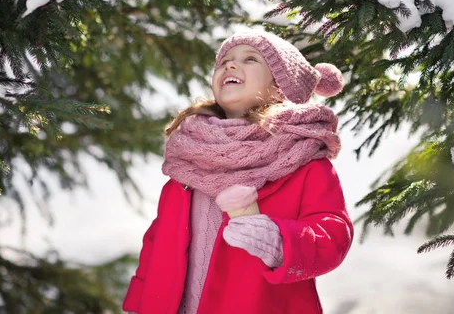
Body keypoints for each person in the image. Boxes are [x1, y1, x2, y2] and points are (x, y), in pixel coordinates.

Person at [123, 30, 353, 314]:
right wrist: (139, 303)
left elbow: (334, 236)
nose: (230, 65)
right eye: (224, 61)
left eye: (250, 59)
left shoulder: (305, 161)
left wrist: (279, 240)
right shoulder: (190, 158)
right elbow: (157, 242)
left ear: (281, 87)